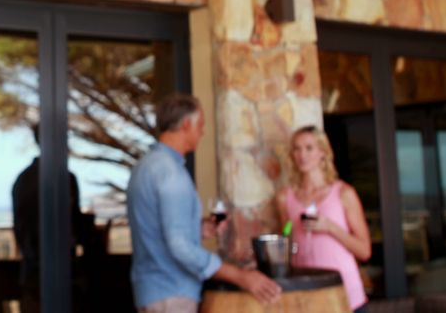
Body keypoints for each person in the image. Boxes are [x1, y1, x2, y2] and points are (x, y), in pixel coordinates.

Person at [128, 92, 281, 313]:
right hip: (172, 295)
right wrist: (240, 276)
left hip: (151, 292)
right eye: (200, 125)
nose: (203, 132)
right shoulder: (171, 173)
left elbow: (156, 229)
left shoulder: (144, 167)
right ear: (187, 125)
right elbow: (179, 246)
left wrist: (198, 228)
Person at [276, 125, 372, 312]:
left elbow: (365, 251)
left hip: (344, 294)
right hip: (305, 294)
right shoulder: (284, 197)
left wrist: (330, 227)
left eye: (309, 148)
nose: (302, 155)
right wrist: (284, 242)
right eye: (297, 148)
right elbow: (289, 242)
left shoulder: (344, 193)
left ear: (322, 152)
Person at [11, 124, 101, 313]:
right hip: (54, 275)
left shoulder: (23, 179)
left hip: (33, 275)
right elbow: (72, 225)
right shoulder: (63, 178)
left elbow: (21, 229)